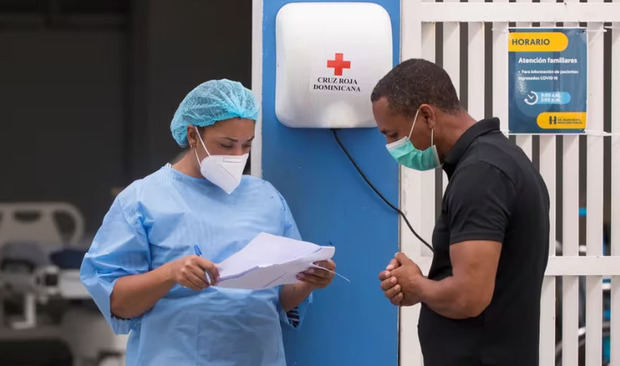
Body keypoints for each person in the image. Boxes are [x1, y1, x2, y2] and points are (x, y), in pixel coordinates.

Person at [81, 79, 336, 366]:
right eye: (226, 145)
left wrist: (308, 282)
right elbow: (118, 304)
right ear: (193, 135)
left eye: (246, 145)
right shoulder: (142, 199)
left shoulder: (266, 198)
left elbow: (277, 300)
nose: (238, 156)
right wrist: (170, 274)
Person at [373, 59, 549, 365]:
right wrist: (422, 286)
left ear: (426, 115)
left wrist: (416, 285)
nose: (392, 146)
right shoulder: (500, 160)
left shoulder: (482, 174)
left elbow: (470, 296)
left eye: (393, 134)